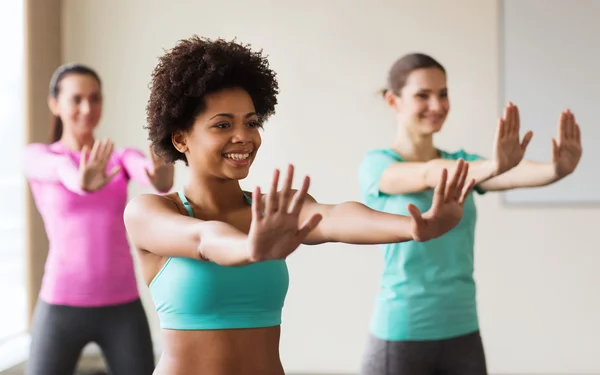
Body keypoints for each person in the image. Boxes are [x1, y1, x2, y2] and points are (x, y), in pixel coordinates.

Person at [123, 36, 478, 375]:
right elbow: (203, 239)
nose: (243, 137)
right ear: (181, 138)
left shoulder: (273, 211)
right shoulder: (149, 212)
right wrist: (249, 247)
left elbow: (337, 217)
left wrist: (414, 227)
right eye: (222, 125)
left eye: (251, 122)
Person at [357, 53, 583, 375]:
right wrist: (491, 166)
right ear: (393, 101)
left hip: (463, 329)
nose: (437, 105)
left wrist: (556, 170)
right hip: (402, 332)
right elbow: (427, 174)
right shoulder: (378, 164)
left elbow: (512, 175)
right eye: (423, 95)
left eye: (443, 93)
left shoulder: (464, 162)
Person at [23, 63, 175, 375]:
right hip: (59, 306)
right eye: (76, 99)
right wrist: (82, 181)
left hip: (122, 306)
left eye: (95, 98)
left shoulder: (119, 158)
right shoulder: (40, 156)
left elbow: (153, 177)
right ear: (55, 104)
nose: (87, 108)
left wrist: (162, 173)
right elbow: (62, 172)